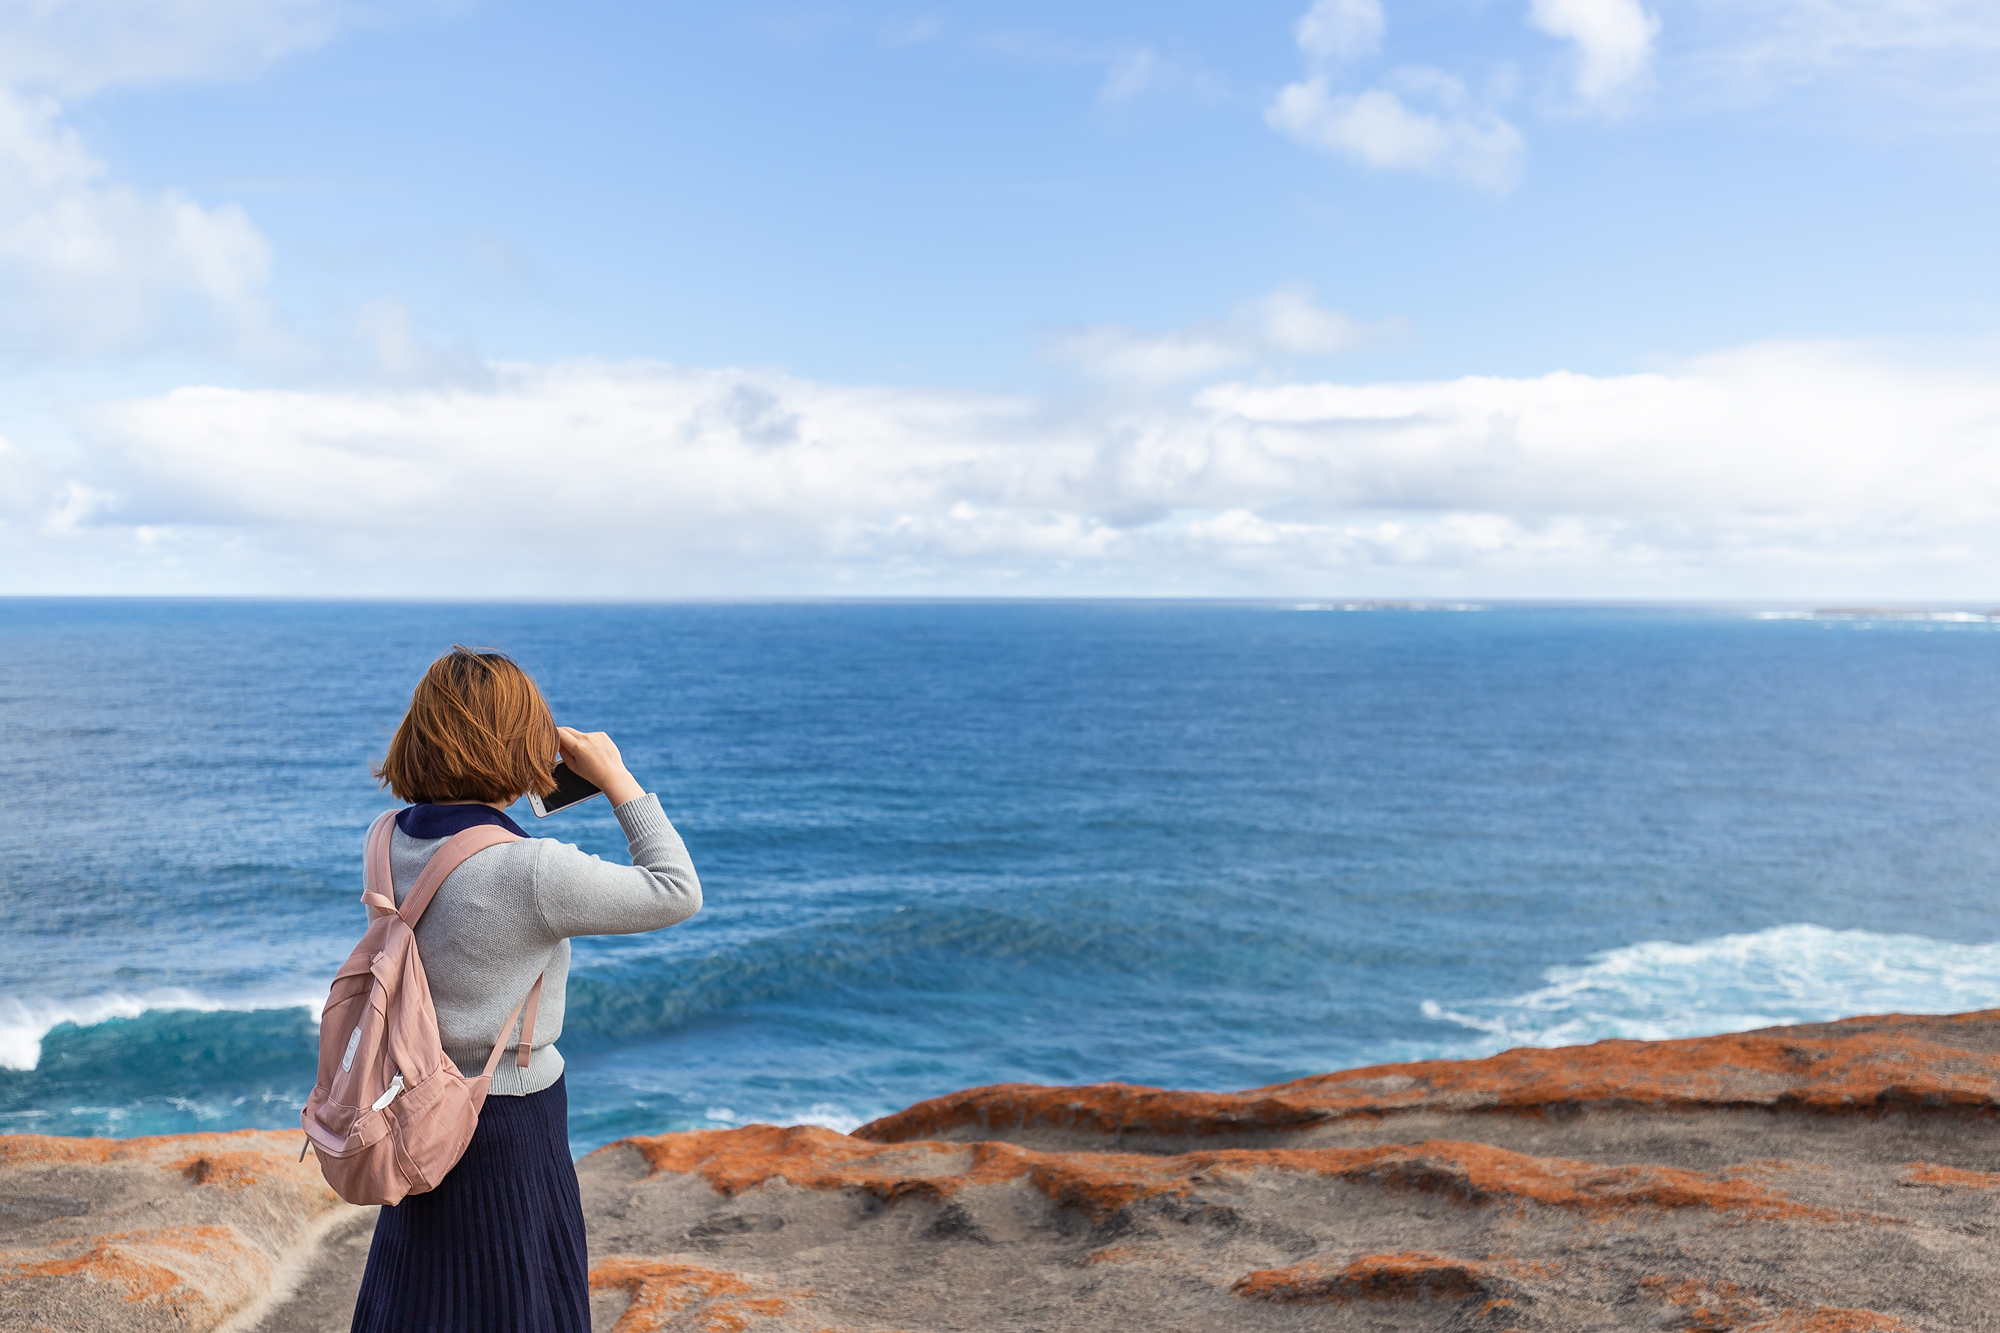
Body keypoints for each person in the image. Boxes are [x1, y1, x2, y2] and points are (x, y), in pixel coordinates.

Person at [347, 646, 701, 1333]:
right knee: (516, 1301)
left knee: (424, 1300)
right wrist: (616, 777)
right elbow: (676, 889)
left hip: (415, 1100)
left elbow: (464, 860)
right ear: (520, 747)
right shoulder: (531, 869)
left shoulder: (385, 835)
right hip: (507, 1122)